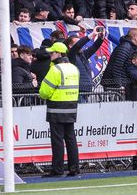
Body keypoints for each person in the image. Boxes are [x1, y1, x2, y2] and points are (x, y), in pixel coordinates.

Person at [38, 42, 80, 177]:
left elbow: (44, 92)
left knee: (57, 140)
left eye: (53, 52)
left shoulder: (55, 69)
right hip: (71, 106)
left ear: (59, 54)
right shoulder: (74, 68)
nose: (50, 54)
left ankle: (57, 169)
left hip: (56, 107)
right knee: (70, 138)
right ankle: (74, 168)